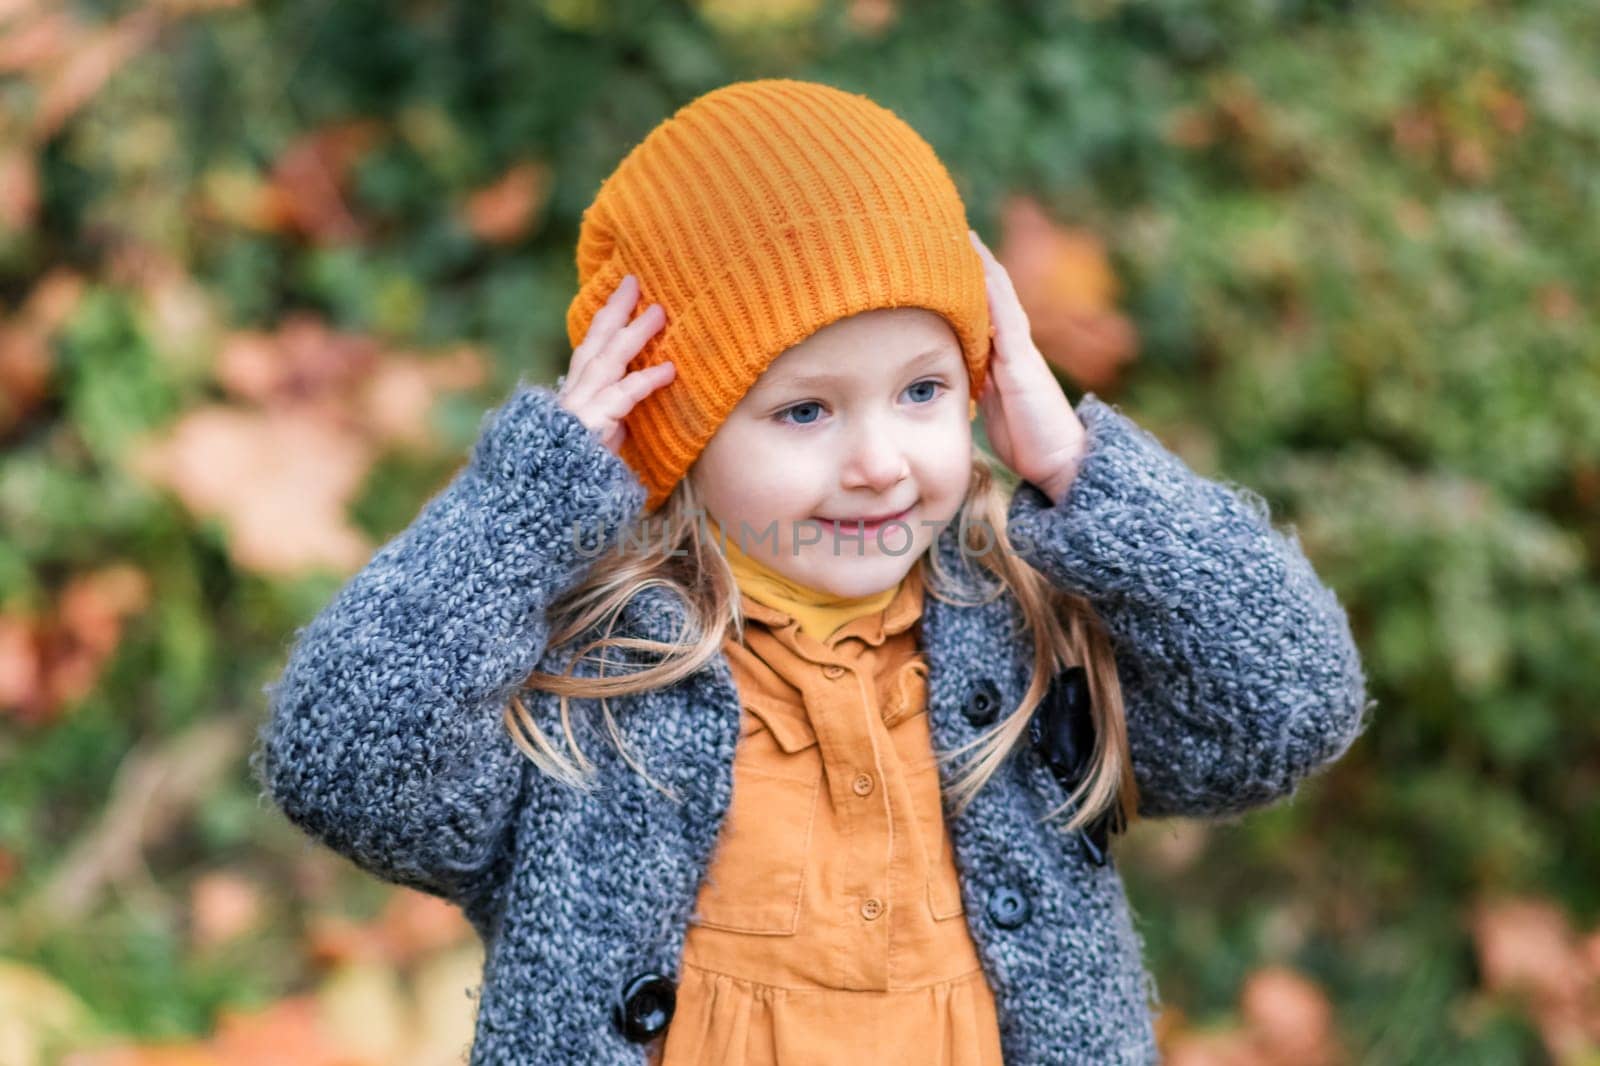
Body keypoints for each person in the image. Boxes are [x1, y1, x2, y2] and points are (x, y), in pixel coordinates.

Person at [251, 78, 1374, 1065]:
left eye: (923, 390)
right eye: (803, 410)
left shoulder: (1023, 638)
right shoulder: (603, 677)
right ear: (675, 428)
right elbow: (346, 759)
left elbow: (1288, 703)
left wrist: (1074, 462)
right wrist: (527, 501)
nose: (879, 463)